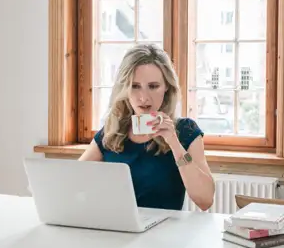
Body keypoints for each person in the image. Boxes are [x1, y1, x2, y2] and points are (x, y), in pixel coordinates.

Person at [79, 44, 215, 211]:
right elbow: (74, 182)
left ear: (166, 87)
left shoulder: (185, 130)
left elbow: (205, 200)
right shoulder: (112, 132)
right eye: (135, 86)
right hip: (117, 230)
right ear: (125, 89)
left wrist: (173, 142)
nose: (144, 98)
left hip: (164, 232)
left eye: (153, 86)